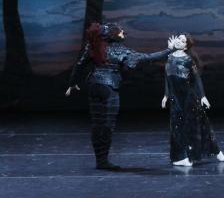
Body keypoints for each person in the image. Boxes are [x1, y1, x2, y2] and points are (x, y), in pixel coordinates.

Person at [66, 22, 175, 170]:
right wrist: (169, 50)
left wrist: (72, 83)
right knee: (107, 126)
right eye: (121, 31)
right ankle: (103, 162)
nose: (124, 32)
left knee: (97, 125)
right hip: (109, 87)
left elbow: (79, 65)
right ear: (113, 34)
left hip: (94, 86)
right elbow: (147, 57)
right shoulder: (119, 49)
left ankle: (100, 161)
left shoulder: (93, 46)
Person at [162, 33, 224, 167]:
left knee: (199, 124)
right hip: (175, 98)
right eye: (178, 38)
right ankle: (182, 157)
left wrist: (203, 96)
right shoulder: (169, 57)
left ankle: (215, 149)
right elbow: (167, 78)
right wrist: (166, 95)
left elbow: (197, 79)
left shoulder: (188, 60)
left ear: (186, 46)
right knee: (177, 127)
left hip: (189, 97)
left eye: (183, 41)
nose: (179, 41)